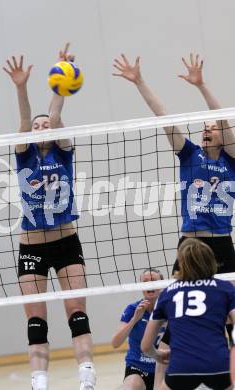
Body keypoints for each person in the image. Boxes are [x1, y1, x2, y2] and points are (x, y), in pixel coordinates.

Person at [112, 53, 235, 382]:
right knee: (177, 313)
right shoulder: (189, 154)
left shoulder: (232, 160)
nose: (208, 130)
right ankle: (169, 372)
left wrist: (202, 86)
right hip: (191, 244)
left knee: (230, 317)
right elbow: (164, 116)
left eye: (214, 128)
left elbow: (223, 118)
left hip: (223, 245)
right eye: (205, 128)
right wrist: (139, 81)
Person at [3, 44, 96, 390]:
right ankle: (39, 381)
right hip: (31, 247)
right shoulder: (23, 155)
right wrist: (21, 87)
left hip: (66, 242)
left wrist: (63, 72)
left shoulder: (63, 151)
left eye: (47, 124)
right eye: (38, 125)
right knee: (36, 321)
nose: (42, 127)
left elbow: (55, 118)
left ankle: (86, 375)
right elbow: (26, 122)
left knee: (77, 312)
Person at [141, 238, 235, 390]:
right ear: (211, 261)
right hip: (218, 365)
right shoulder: (225, 288)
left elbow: (145, 346)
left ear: (181, 264)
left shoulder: (168, 293)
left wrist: (158, 355)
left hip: (181, 367)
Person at [111, 269, 165, 390]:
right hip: (138, 368)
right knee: (131, 386)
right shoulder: (133, 309)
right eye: (145, 281)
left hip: (164, 367)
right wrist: (135, 318)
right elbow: (115, 343)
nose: (150, 284)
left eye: (154, 281)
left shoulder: (170, 308)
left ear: (162, 285)